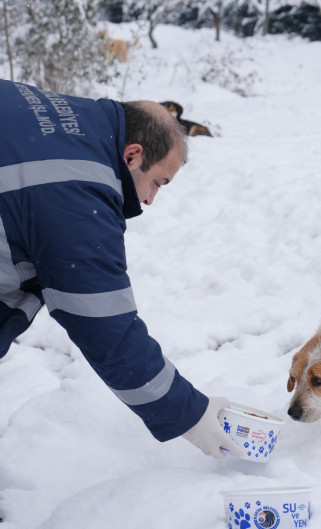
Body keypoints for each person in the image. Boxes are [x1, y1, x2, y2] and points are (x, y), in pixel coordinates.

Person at [0, 79, 242, 459]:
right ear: (132, 155)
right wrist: (189, 414)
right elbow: (104, 324)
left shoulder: (52, 112)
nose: (149, 199)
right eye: (157, 182)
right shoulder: (76, 189)